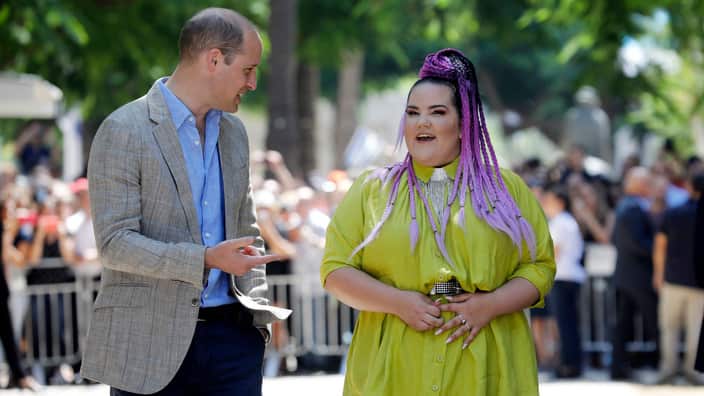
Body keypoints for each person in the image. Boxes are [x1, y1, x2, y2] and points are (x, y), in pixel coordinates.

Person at [79, 8, 290, 395]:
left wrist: (256, 323)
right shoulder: (123, 130)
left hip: (234, 343)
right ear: (213, 59)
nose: (254, 83)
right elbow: (114, 245)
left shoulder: (235, 133)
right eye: (247, 70)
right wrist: (206, 258)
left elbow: (247, 231)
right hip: (149, 350)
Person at [320, 48, 556, 395]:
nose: (422, 122)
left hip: (484, 359)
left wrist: (490, 305)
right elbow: (335, 270)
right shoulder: (372, 190)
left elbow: (539, 267)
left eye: (437, 112)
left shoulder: (506, 189)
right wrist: (397, 302)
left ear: (463, 125)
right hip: (394, 362)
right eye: (413, 113)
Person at [652, 171, 704, 384]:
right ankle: (694, 373)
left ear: (690, 187)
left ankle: (668, 370)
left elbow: (660, 246)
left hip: (673, 279)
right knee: (697, 330)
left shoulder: (673, 213)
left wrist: (658, 274)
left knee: (669, 328)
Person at [609, 167, 658, 380]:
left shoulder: (626, 207)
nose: (651, 187)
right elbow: (637, 243)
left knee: (624, 325)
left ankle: (621, 367)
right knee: (653, 322)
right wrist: (659, 249)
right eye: (647, 183)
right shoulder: (632, 209)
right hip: (638, 277)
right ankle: (661, 364)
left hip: (626, 276)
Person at [540, 184, 586, 378]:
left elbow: (553, 251)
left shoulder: (561, 222)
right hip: (569, 277)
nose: (545, 204)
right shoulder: (565, 221)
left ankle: (569, 364)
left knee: (565, 324)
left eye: (548, 200)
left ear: (559, 202)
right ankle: (570, 362)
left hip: (563, 277)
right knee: (568, 323)